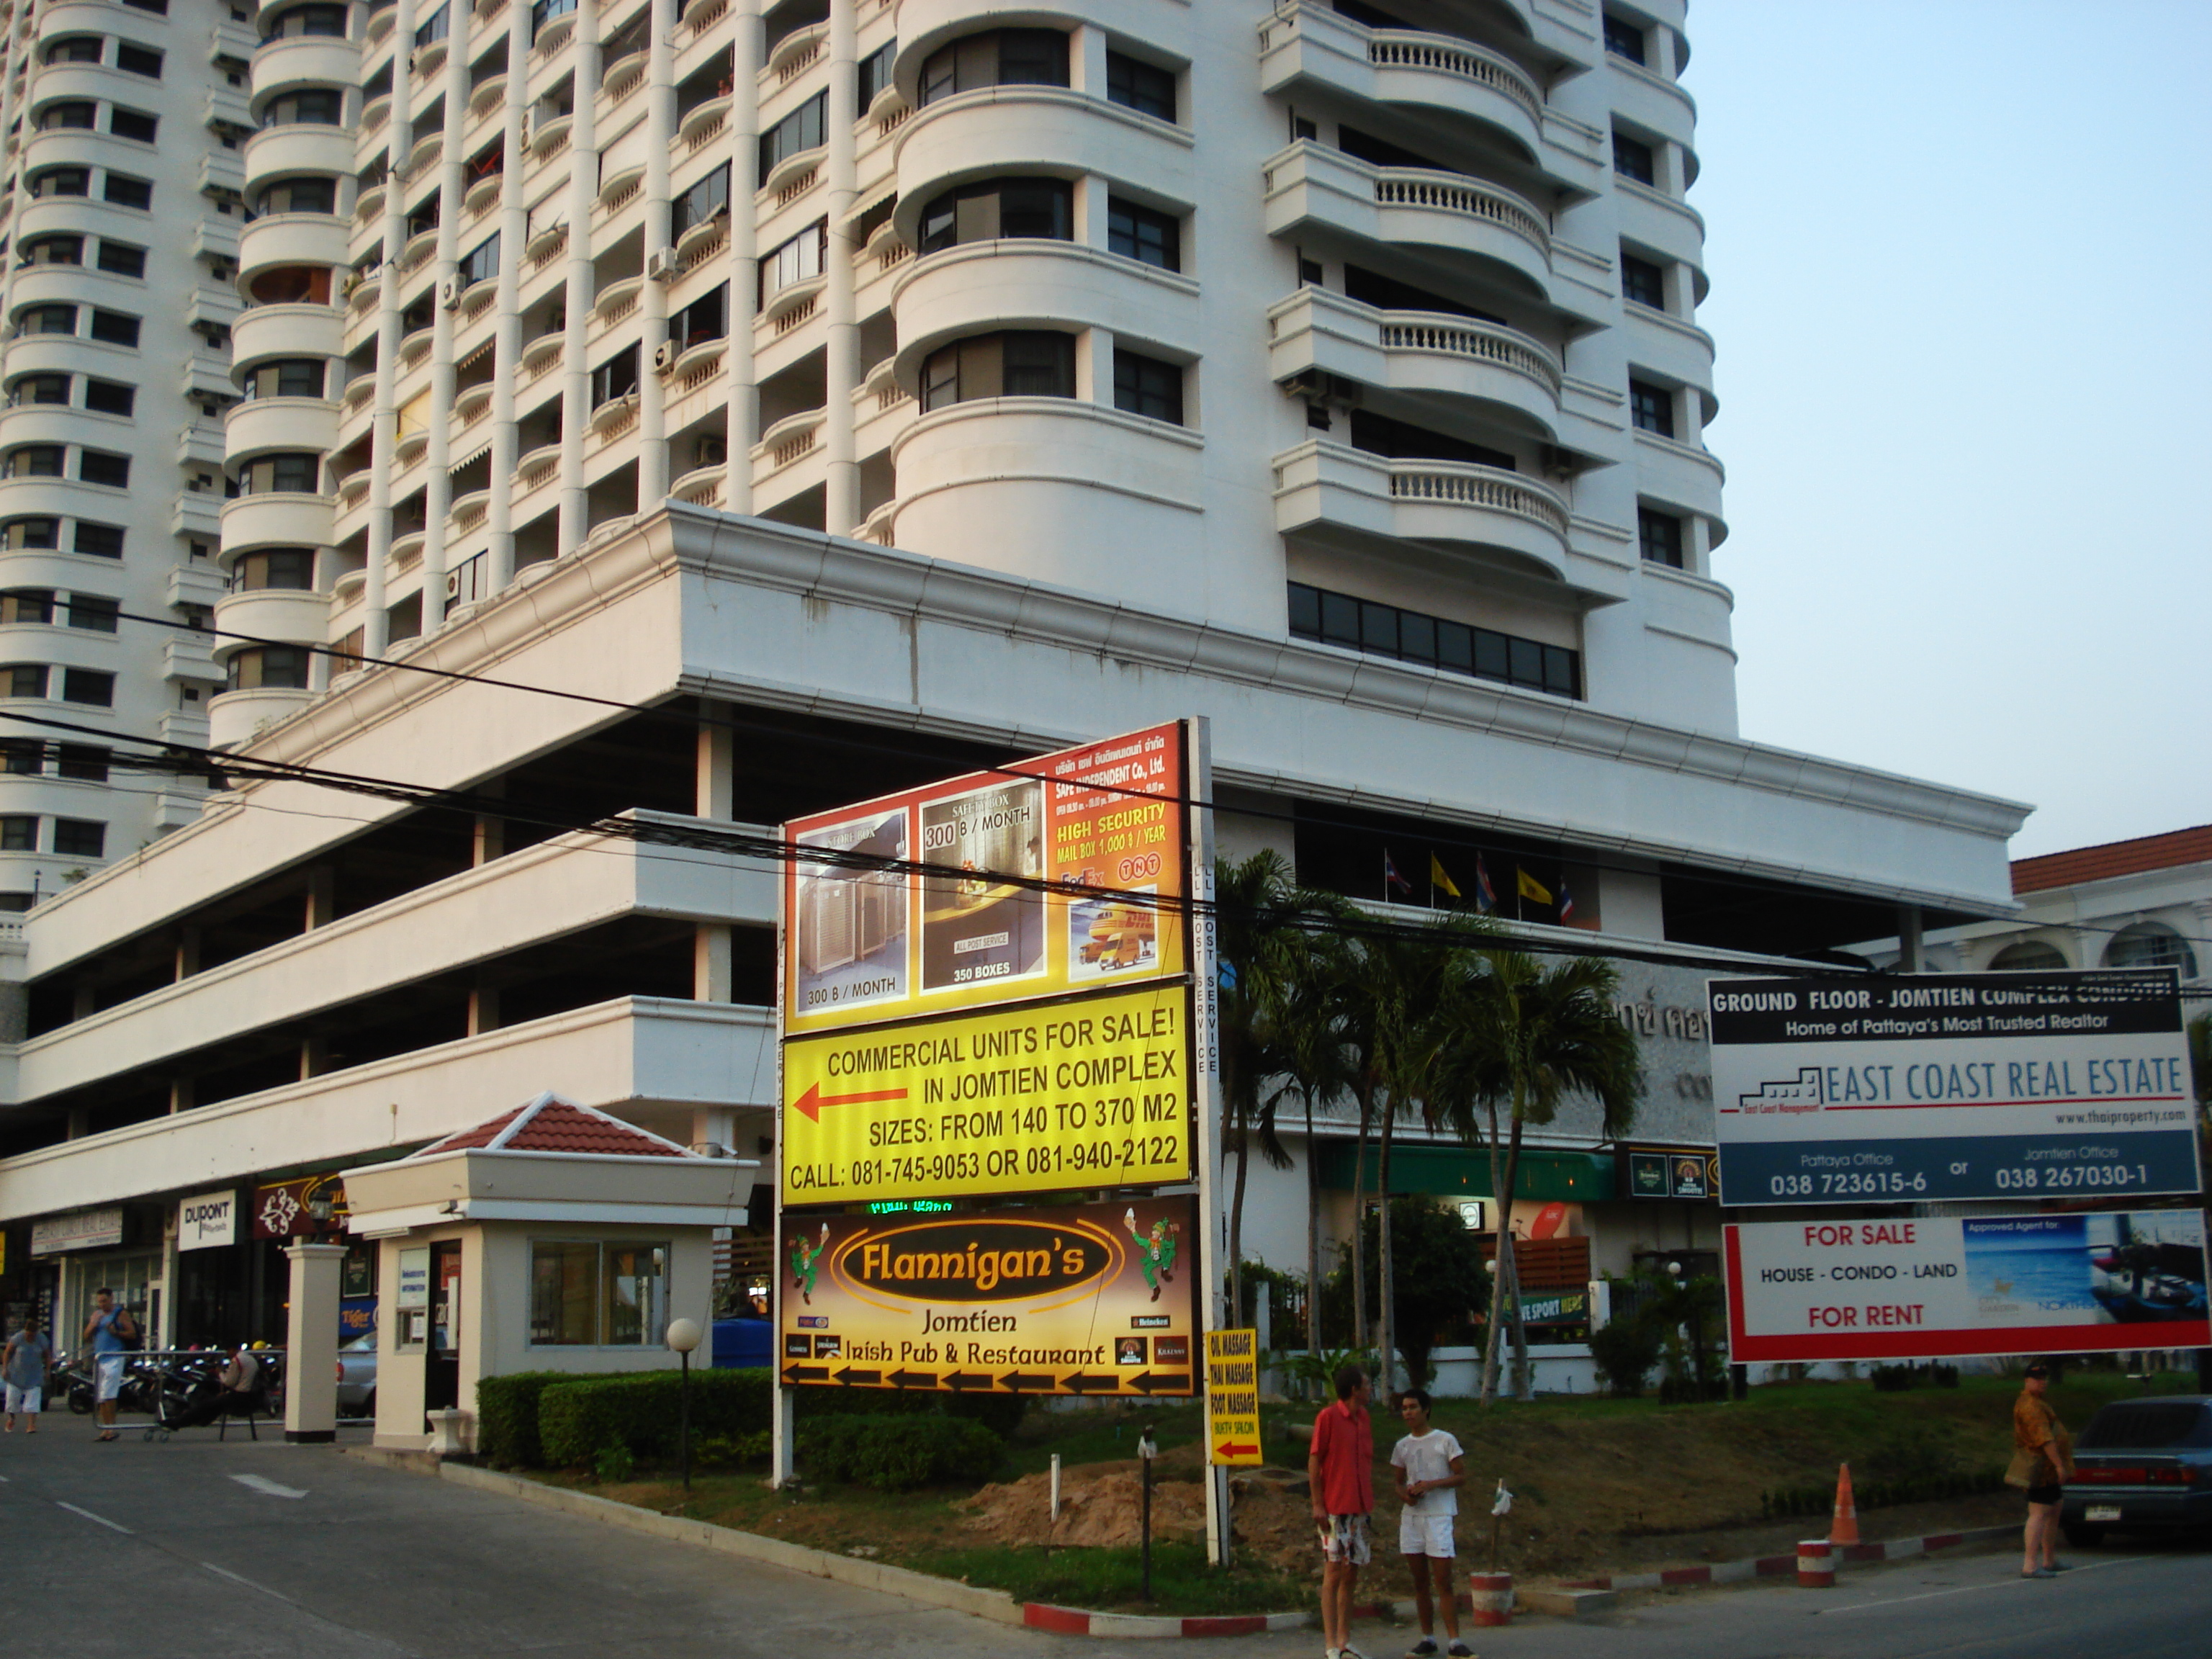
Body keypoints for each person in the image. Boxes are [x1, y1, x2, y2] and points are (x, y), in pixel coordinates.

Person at [1390, 1389, 1472, 1659]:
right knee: (1420, 1581)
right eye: (1404, 1408)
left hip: (1439, 1515)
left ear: (1426, 1409)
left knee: (1443, 1579)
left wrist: (1432, 1485)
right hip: (1413, 1518)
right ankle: (1427, 1637)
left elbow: (1461, 1476)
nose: (1408, 1413)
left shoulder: (1444, 1440)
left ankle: (1455, 1640)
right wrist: (1407, 1495)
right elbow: (1398, 1481)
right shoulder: (1403, 1445)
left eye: (1413, 1407)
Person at [1309, 1362, 1376, 1659]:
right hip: (1335, 1508)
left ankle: (1345, 1639)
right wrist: (1317, 1503)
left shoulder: (1364, 1419)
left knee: (1352, 1573)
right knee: (1333, 1572)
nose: (1370, 1389)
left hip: (1359, 1508)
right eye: (1366, 1384)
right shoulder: (1328, 1417)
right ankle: (1330, 1645)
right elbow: (1314, 1460)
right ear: (1354, 1389)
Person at [2012, 1362, 2072, 1578]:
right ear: (2027, 1381)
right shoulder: (2030, 1406)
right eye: (2037, 1379)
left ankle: (2049, 1560)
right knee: (2038, 1513)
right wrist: (2058, 1465)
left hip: (2047, 1468)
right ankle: (2030, 1565)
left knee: (2055, 1507)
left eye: (2044, 1379)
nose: (2042, 1383)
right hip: (2039, 1466)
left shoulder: (2038, 1402)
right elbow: (2045, 1439)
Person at [165, 1343, 264, 1431]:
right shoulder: (250, 1359)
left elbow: (228, 1382)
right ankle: (189, 1421)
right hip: (251, 1396)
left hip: (240, 1396)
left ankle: (177, 1423)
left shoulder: (237, 1360)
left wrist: (220, 1373)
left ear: (232, 1350)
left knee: (206, 1405)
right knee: (213, 1405)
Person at [81, 1288, 138, 1442]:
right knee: (100, 1395)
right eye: (99, 1302)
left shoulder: (120, 1314)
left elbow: (132, 1333)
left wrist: (116, 1332)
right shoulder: (97, 1315)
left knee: (109, 1393)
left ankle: (111, 1427)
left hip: (115, 1356)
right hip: (100, 1358)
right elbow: (86, 1337)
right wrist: (93, 1325)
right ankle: (105, 1428)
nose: (102, 1305)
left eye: (105, 1301)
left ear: (111, 1299)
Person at [3, 1315, 53, 1434]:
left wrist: (47, 1371)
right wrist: (5, 1368)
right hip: (16, 1373)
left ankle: (31, 1425)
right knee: (12, 1400)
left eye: (32, 1334)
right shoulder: (18, 1338)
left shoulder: (41, 1339)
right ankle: (12, 1418)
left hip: (34, 1374)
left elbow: (47, 1355)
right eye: (28, 1334)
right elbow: (7, 1352)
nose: (30, 1336)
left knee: (33, 1400)